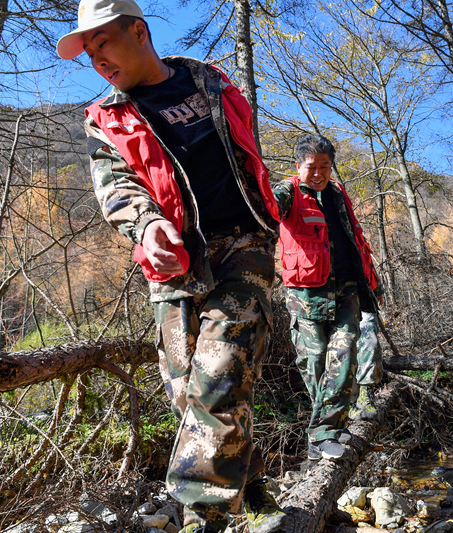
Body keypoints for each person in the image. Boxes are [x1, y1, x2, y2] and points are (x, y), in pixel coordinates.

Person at [56, 1, 286, 532]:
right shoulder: (106, 118)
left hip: (242, 245)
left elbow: (246, 156)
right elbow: (116, 185)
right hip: (174, 265)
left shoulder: (212, 83)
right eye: (88, 53)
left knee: (221, 370)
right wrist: (147, 225)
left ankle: (202, 516)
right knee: (187, 392)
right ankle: (255, 492)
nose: (98, 61)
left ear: (138, 31)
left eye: (103, 44)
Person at [273, 134, 383, 461]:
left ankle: (324, 432)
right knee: (316, 359)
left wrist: (372, 281)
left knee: (345, 351)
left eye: (325, 166)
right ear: (298, 166)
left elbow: (356, 238)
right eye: (312, 167)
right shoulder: (288, 191)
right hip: (307, 294)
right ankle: (330, 424)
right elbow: (268, 210)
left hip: (347, 287)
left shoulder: (337, 193)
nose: (319, 173)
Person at [349, 310, 382, 420]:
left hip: (363, 297)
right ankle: (351, 401)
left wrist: (377, 291)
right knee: (345, 347)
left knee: (370, 341)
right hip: (332, 300)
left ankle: (365, 393)